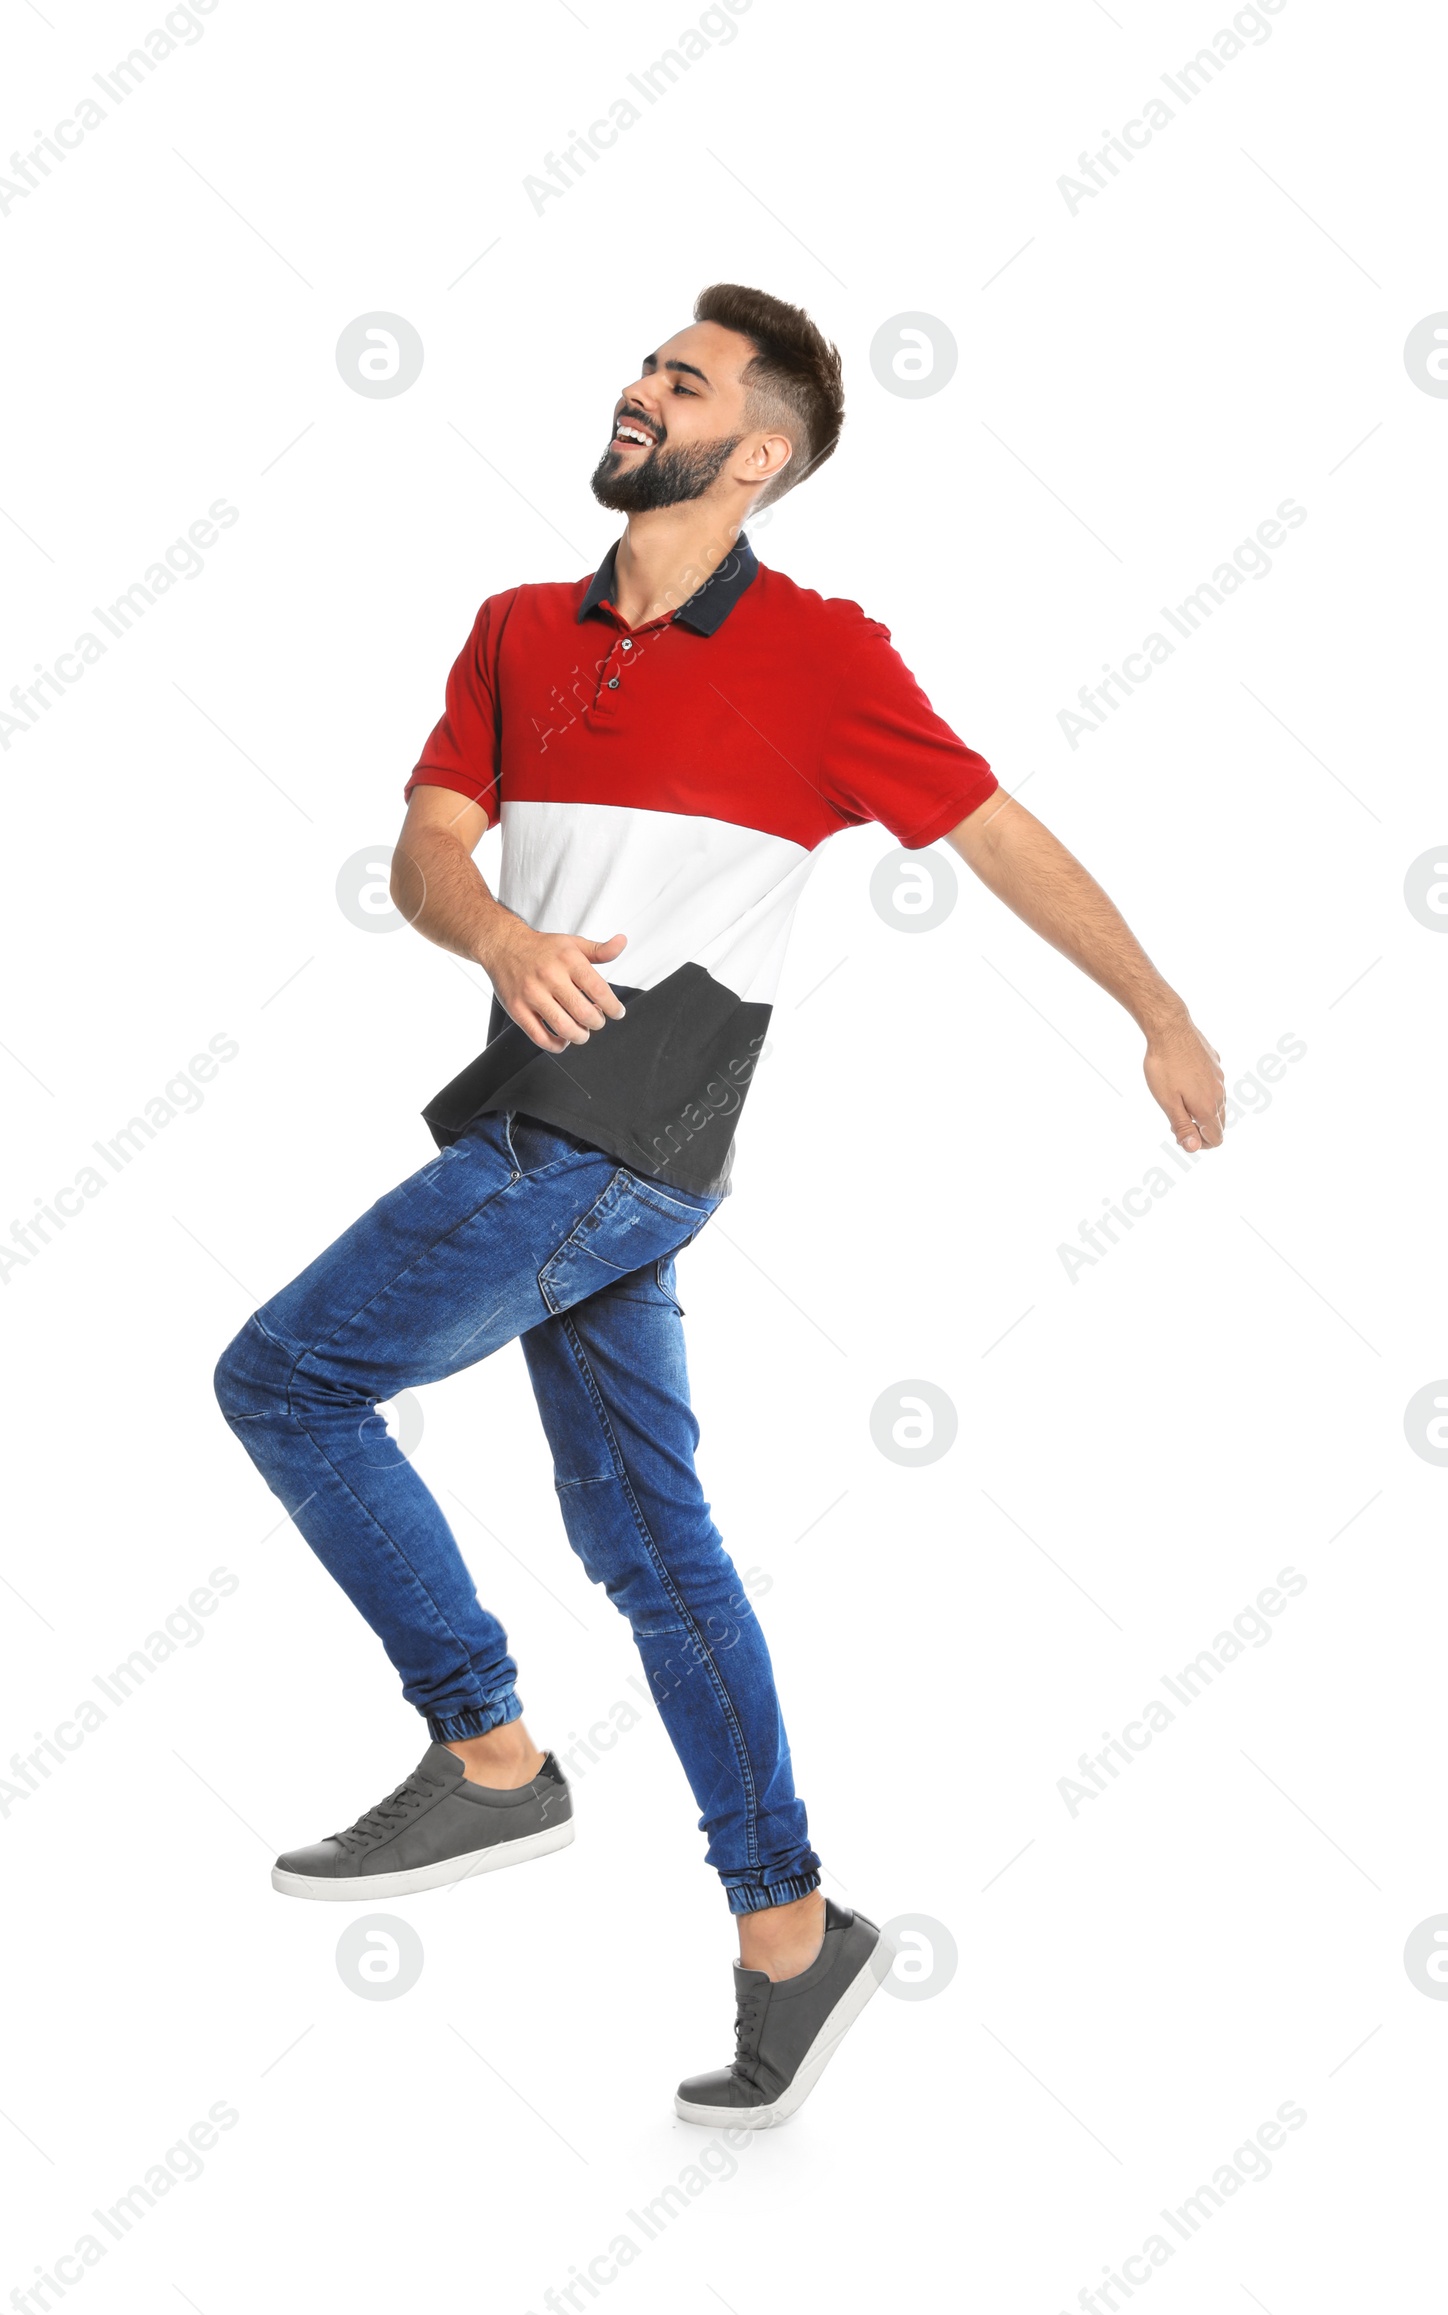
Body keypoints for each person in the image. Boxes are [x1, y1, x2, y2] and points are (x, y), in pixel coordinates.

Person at [213, 281, 1225, 2128]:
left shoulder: (826, 659)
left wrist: (1156, 1009)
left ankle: (493, 1750)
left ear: (754, 454)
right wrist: (501, 930)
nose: (634, 390)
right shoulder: (520, 630)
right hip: (552, 1127)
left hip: (612, 1142)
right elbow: (430, 847)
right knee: (660, 1552)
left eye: (677, 382)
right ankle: (789, 1929)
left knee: (288, 1380)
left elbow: (996, 832)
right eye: (638, 366)